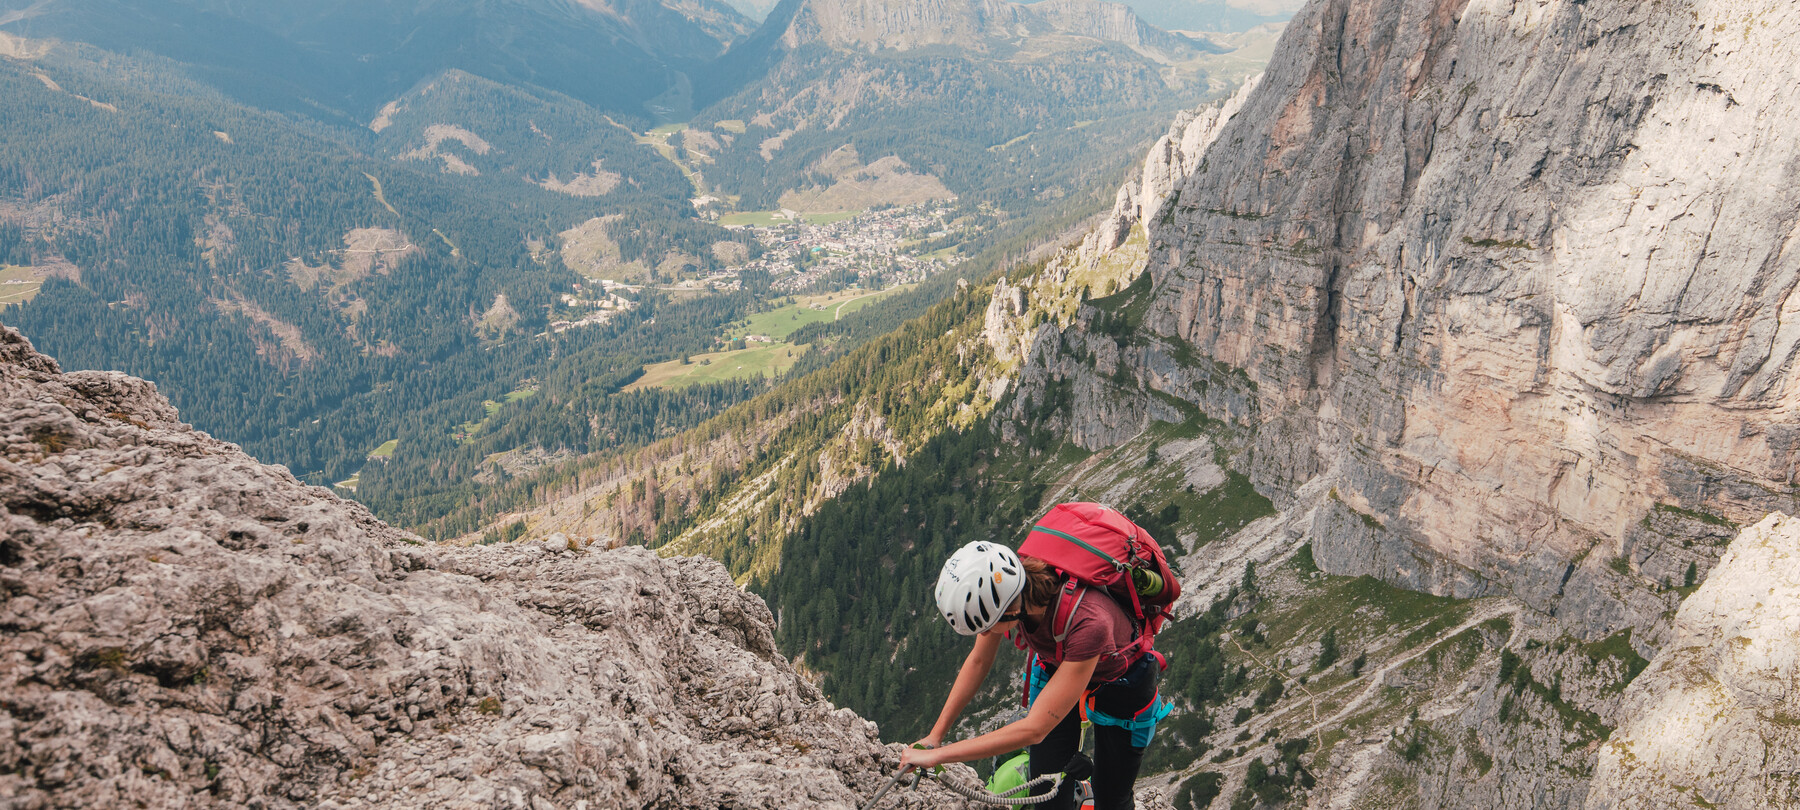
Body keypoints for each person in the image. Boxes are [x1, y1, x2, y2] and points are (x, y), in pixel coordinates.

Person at [899, 541, 1164, 810]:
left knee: (1112, 799)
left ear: (1011, 611)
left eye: (991, 626)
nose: (988, 633)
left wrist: (940, 757)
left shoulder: (1089, 622)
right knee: (1046, 792)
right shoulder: (1013, 592)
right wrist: (935, 737)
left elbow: (1035, 729)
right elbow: (979, 661)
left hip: (1123, 686)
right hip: (1058, 667)